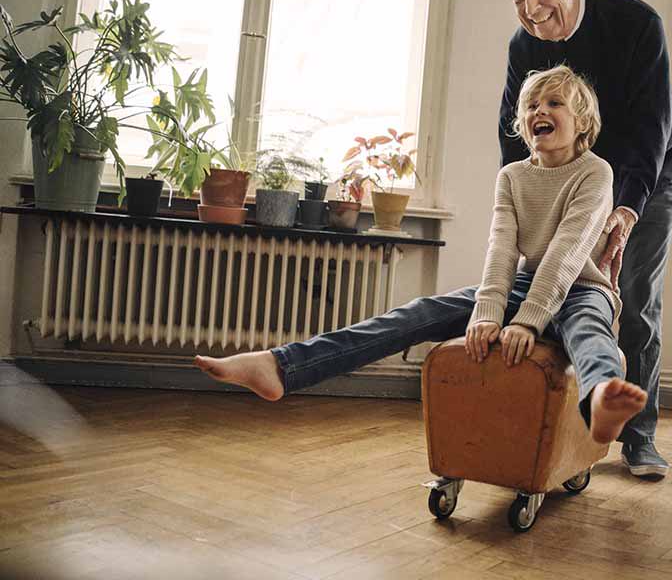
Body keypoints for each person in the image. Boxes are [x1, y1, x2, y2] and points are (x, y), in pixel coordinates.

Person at [194, 65, 647, 445]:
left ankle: (602, 398)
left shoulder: (595, 173)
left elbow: (568, 253)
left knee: (588, 331)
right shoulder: (512, 176)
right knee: (422, 311)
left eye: (554, 104)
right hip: (529, 285)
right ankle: (281, 365)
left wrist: (528, 321)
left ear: (582, 122)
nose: (539, 112)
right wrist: (489, 312)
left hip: (584, 288)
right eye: (531, 106)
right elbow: (501, 250)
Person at [497, 0, 672, 477]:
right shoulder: (522, 44)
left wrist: (625, 211)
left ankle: (639, 435)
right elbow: (512, 138)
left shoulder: (638, 25)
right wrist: (513, 208)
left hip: (646, 173)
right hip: (567, 175)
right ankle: (563, 424)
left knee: (632, 294)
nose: (531, 8)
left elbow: (651, 130)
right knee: (554, 286)